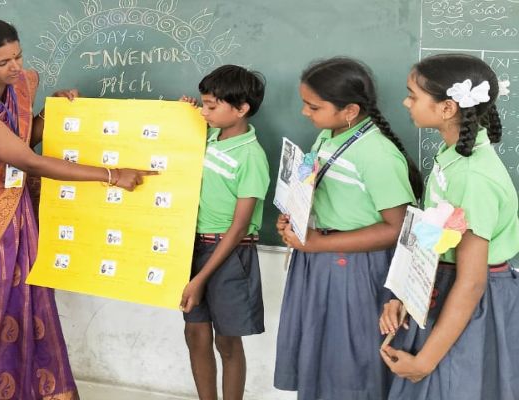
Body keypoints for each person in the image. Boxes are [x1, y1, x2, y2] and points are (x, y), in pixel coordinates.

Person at [0, 19, 154, 400]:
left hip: (14, 215)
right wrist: (111, 175)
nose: (15, 67)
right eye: (3, 62)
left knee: (21, 302)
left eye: (18, 56)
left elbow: (20, 138)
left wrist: (50, 115)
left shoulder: (18, 87)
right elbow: (27, 159)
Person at [274, 57, 423, 400]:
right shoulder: (327, 136)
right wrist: (296, 218)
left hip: (355, 267)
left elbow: (398, 229)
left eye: (314, 106)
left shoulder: (377, 154)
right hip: (319, 259)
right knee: (320, 357)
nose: (304, 113)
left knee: (350, 365)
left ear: (350, 111)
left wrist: (316, 243)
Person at [380, 54, 519, 400]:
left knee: (453, 387)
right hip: (442, 285)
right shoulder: (453, 157)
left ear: (447, 108)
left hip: (471, 301)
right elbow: (436, 237)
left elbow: (471, 282)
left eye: (413, 96)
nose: (405, 103)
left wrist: (424, 361)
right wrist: (404, 295)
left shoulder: (473, 177)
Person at [178, 64, 268, 400]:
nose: (205, 112)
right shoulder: (208, 137)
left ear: (241, 108)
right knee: (195, 334)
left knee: (227, 341)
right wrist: (183, 116)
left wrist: (200, 279)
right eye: (203, 104)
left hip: (230, 253)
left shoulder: (251, 155)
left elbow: (240, 225)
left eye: (212, 106)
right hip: (193, 246)